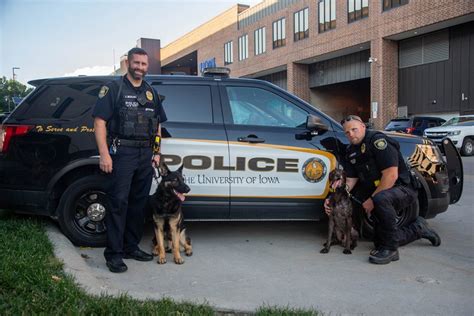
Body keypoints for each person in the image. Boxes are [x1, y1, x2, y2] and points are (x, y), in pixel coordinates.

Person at [325, 115, 441, 265]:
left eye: (354, 129)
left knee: (380, 199)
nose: (351, 134)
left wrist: (372, 200)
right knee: (380, 239)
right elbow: (351, 180)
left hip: (402, 188)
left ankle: (391, 250)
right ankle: (418, 229)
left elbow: (391, 175)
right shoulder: (352, 150)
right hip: (383, 192)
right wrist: (333, 197)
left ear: (363, 127)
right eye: (347, 132)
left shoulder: (378, 141)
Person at [93, 47, 167, 273]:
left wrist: (156, 152)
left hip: (145, 155)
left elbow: (157, 125)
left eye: (144, 64)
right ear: (128, 63)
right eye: (137, 63)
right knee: (118, 203)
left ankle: (130, 247)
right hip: (122, 153)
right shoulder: (113, 89)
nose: (140, 68)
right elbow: (99, 122)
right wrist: (105, 154)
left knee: (138, 203)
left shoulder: (150, 92)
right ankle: (114, 254)